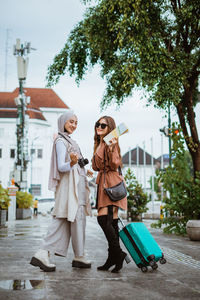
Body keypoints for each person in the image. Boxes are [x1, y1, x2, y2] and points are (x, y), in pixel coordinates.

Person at [30, 110, 93, 272]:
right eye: (71, 121)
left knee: (73, 218)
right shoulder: (60, 141)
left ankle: (77, 255)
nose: (74, 125)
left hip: (77, 186)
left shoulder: (70, 140)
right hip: (68, 188)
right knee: (65, 217)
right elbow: (61, 167)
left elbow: (75, 165)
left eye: (76, 122)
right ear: (63, 122)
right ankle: (44, 252)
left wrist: (83, 169)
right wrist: (72, 163)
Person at [92, 116, 128, 273]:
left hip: (111, 184)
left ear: (110, 129)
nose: (99, 126)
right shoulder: (99, 143)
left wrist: (112, 148)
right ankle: (113, 258)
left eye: (103, 125)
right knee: (111, 222)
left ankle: (117, 254)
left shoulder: (111, 142)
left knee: (102, 219)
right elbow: (95, 166)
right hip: (103, 183)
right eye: (97, 124)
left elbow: (115, 164)